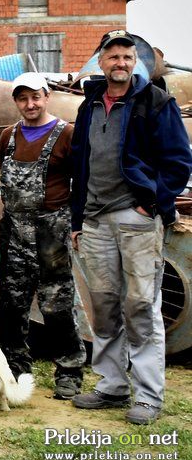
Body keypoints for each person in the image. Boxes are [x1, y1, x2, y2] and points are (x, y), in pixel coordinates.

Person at [69, 30, 191, 425]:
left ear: (134, 61)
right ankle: (112, 384)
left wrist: (150, 204)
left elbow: (178, 161)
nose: (119, 63)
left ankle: (148, 396)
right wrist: (77, 220)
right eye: (112, 57)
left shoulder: (156, 102)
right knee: (103, 306)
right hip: (95, 219)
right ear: (101, 62)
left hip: (135, 218)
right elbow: (80, 166)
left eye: (126, 57)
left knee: (140, 305)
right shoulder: (89, 105)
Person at [0, 72, 86, 400]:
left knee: (57, 301)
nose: (30, 104)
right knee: (11, 303)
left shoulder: (68, 135)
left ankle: (70, 371)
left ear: (47, 96)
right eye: (22, 98)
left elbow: (83, 183)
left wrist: (76, 225)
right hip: (14, 231)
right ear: (16, 101)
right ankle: (16, 369)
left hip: (53, 232)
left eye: (35, 97)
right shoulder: (8, 136)